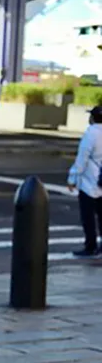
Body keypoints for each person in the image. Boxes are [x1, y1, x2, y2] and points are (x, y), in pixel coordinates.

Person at [67, 105, 102, 257]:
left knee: (88, 217)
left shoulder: (91, 133)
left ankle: (90, 246)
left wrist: (72, 178)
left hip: (90, 181)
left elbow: (82, 160)